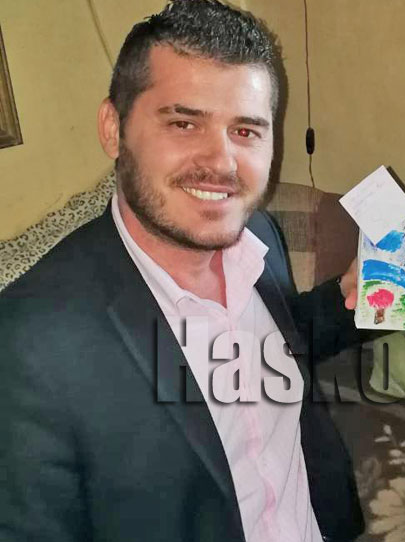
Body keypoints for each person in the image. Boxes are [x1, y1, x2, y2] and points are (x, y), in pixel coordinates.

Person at [0, 1, 364, 541]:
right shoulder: (26, 344)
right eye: (184, 123)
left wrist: (351, 299)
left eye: (246, 131)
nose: (221, 162)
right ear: (113, 128)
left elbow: (270, 350)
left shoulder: (257, 236)